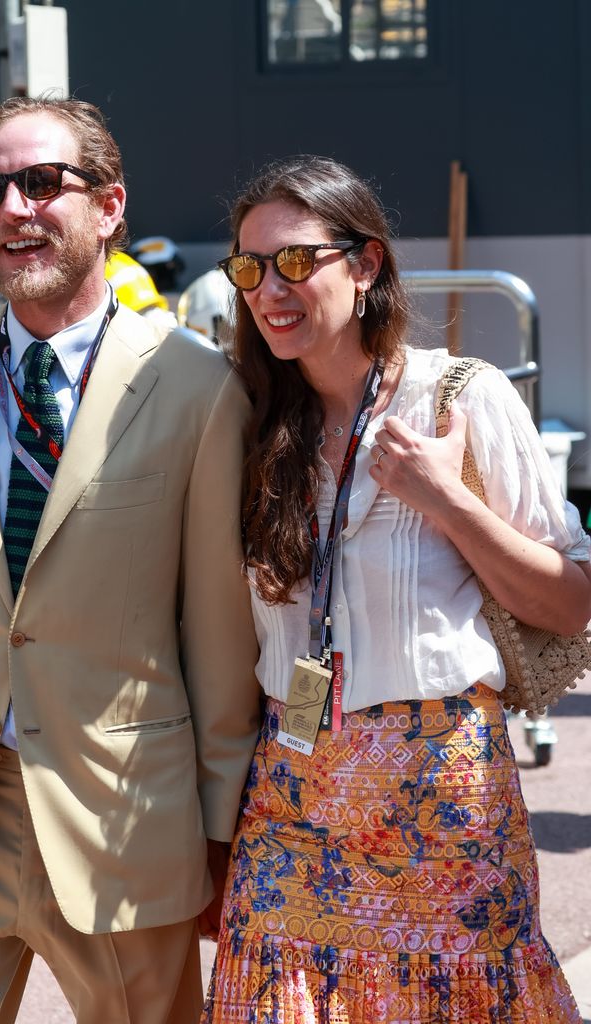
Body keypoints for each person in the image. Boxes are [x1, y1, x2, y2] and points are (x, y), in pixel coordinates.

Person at [0, 94, 260, 1024]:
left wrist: (214, 829)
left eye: (43, 182)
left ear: (110, 207)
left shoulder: (197, 385)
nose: (14, 208)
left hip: (119, 821)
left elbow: (216, 634)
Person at [201, 154, 591, 1023]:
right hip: (293, 786)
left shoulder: (461, 398)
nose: (271, 288)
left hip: (443, 791)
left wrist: (443, 499)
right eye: (250, 267)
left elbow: (569, 604)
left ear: (366, 263)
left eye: (297, 260)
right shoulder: (246, 417)